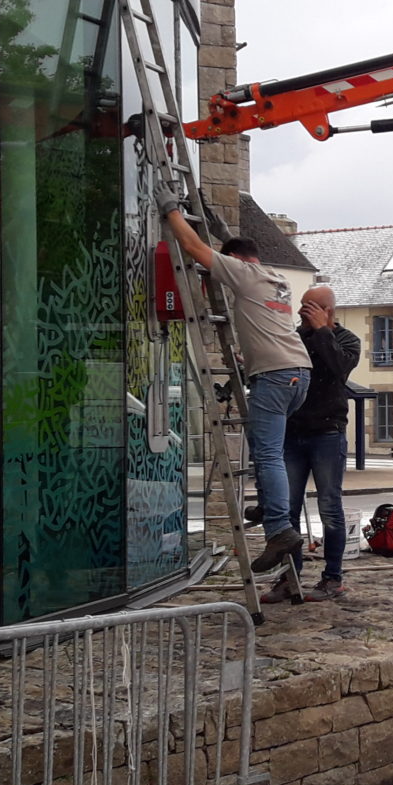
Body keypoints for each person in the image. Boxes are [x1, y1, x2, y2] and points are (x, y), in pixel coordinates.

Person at [155, 188, 310, 574]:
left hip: (274, 376)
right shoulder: (275, 278)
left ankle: (279, 530)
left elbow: (192, 245)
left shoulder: (241, 272)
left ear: (237, 260)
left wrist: (171, 208)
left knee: (268, 454)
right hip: (297, 373)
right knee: (268, 450)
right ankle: (270, 508)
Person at [284, 285, 361, 601]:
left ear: (328, 311)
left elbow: (338, 369)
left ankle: (333, 578)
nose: (303, 311)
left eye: (310, 306)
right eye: (301, 305)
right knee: (286, 508)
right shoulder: (295, 337)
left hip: (327, 432)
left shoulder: (346, 340)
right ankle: (289, 577)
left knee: (329, 506)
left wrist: (321, 332)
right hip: (293, 431)